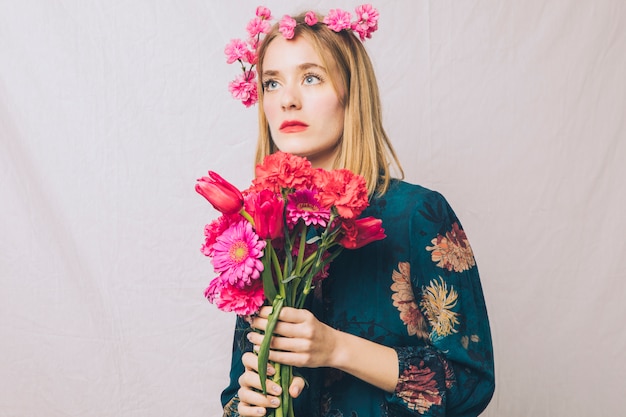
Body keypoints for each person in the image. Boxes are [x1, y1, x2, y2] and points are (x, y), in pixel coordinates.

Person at [220, 6, 495, 417]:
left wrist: (336, 348)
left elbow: (472, 384)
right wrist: (245, 404)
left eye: (311, 78)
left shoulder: (418, 215)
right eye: (272, 83)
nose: (288, 101)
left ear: (352, 92)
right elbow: (232, 395)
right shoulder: (265, 229)